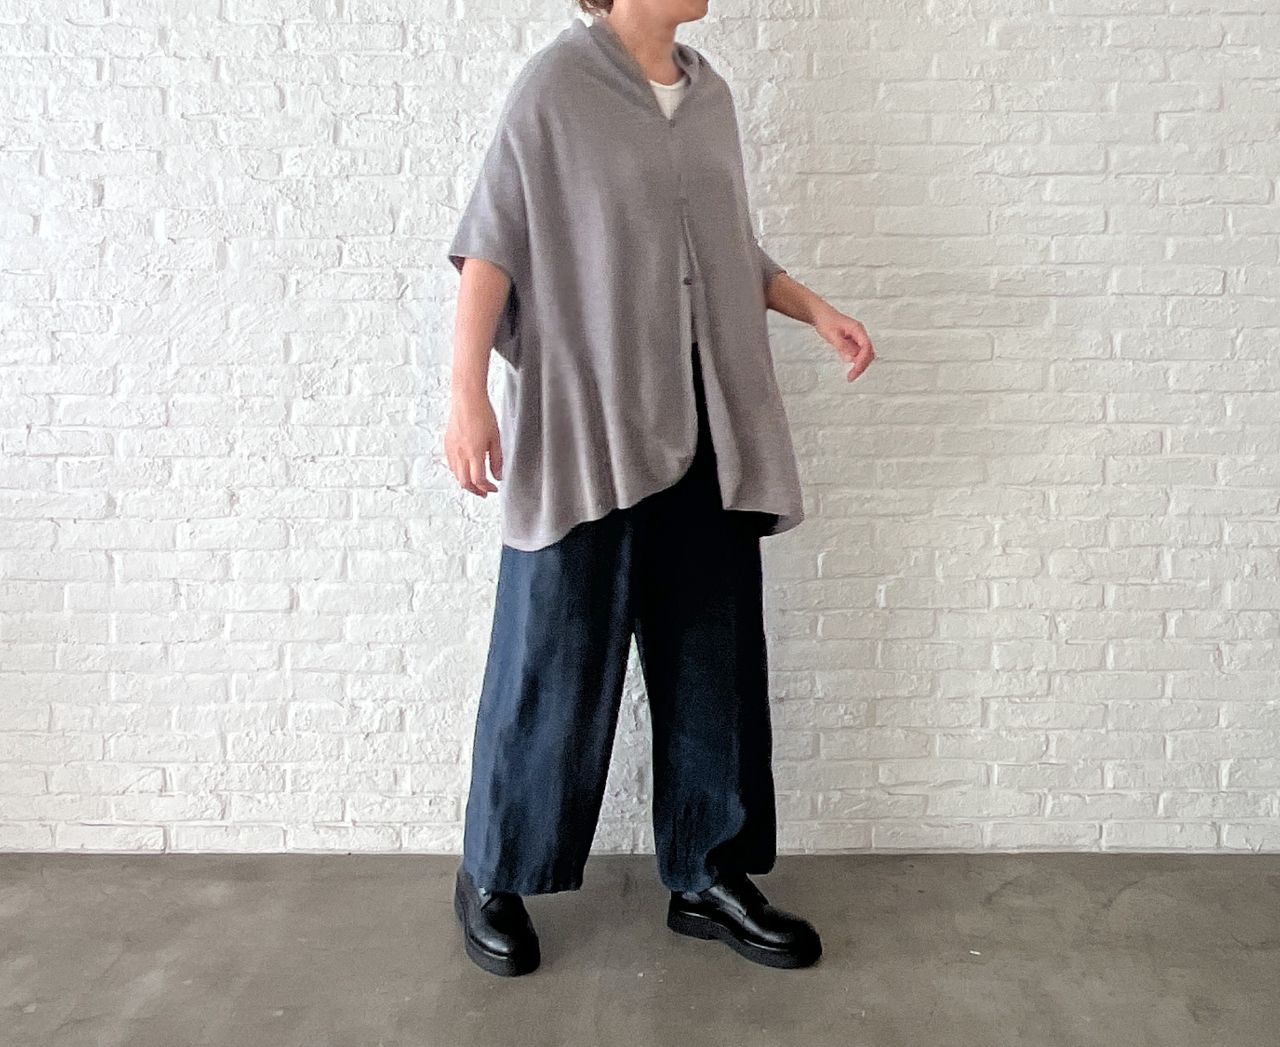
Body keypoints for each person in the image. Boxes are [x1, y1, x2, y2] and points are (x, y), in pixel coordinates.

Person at [444, 0, 875, 978]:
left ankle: (707, 872)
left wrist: (813, 308)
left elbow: (723, 250)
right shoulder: (557, 86)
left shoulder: (709, 96)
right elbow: (492, 242)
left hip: (707, 412)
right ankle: (493, 871)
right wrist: (466, 396)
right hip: (591, 418)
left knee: (711, 655)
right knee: (554, 649)